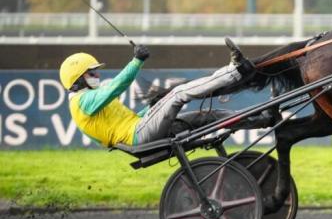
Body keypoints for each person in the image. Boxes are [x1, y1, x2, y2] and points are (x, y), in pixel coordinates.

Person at [59, 38, 268, 147]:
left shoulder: (88, 100)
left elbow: (124, 122)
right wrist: (136, 61)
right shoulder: (82, 102)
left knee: (209, 116)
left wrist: (150, 109)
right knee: (178, 94)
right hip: (138, 136)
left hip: (139, 130)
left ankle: (261, 120)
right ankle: (234, 72)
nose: (97, 75)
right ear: (78, 79)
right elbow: (117, 86)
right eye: (92, 72)